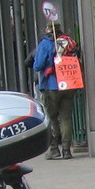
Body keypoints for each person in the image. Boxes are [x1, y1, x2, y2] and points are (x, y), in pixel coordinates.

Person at [32, 24, 80, 159]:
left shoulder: (45, 44)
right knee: (66, 118)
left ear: (47, 30)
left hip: (51, 85)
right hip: (68, 83)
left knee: (51, 118)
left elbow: (38, 65)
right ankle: (66, 150)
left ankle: (54, 148)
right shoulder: (67, 42)